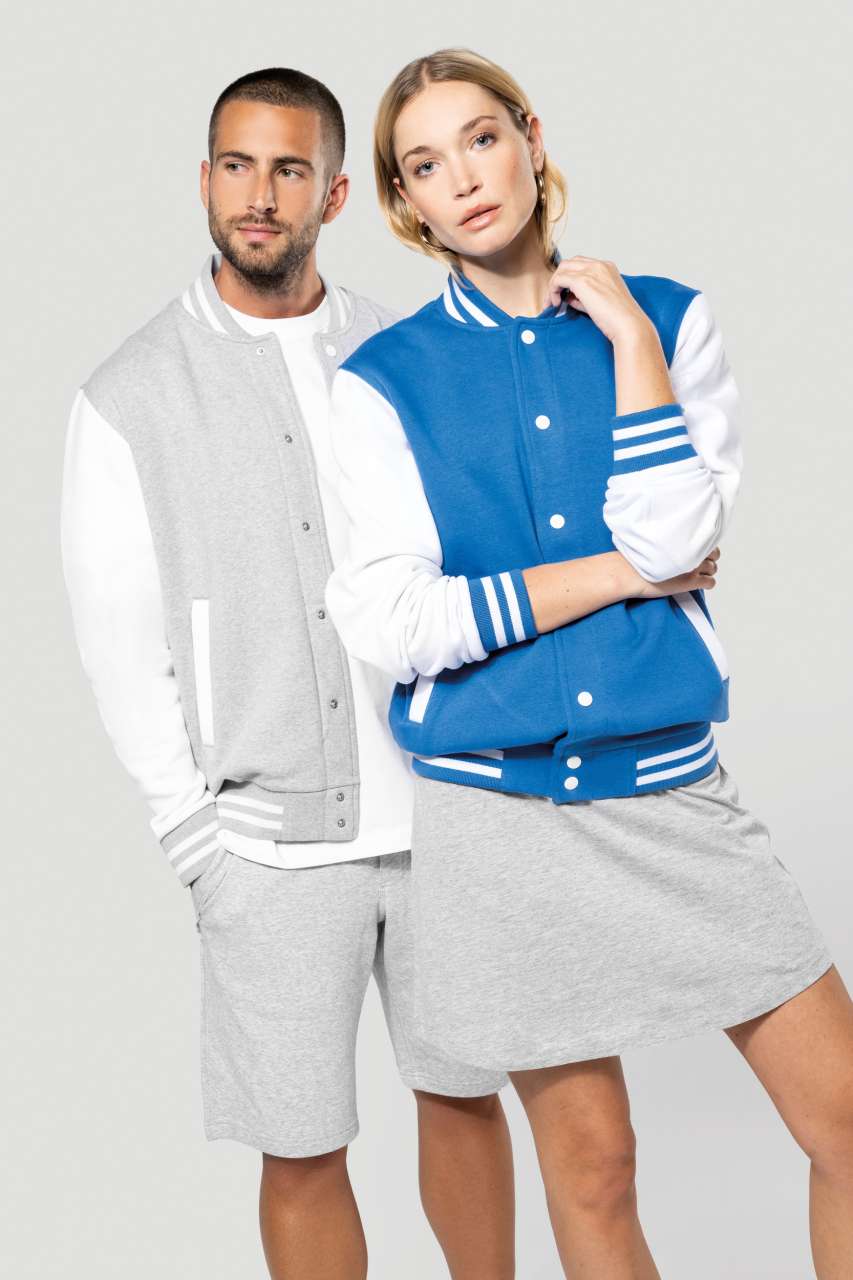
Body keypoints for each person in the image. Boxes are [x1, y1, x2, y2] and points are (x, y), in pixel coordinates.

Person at [324, 47, 853, 1278]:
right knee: (595, 1166)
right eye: (424, 164)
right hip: (500, 825)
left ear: (530, 137)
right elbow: (398, 622)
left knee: (842, 1116)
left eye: (480, 138)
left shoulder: (664, 315)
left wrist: (625, 335)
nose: (463, 178)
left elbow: (676, 536)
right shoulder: (382, 383)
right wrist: (617, 575)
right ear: (404, 202)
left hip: (671, 791)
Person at [60, 66, 517, 1280]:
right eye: (236, 165)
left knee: (466, 1100)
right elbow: (120, 643)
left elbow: (480, 552)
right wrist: (196, 842)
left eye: (288, 169)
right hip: (264, 848)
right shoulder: (128, 395)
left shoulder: (404, 353)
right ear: (205, 179)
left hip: (445, 812)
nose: (258, 195)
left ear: (334, 195)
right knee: (302, 1148)